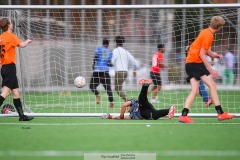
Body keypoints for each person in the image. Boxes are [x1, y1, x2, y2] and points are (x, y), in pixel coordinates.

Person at [179, 16, 235, 123]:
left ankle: (183, 115)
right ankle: (220, 113)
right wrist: (210, 69)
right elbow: (202, 54)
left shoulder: (205, 31)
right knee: (212, 85)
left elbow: (206, 51)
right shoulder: (209, 35)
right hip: (196, 64)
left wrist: (216, 56)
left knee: (195, 91)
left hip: (190, 64)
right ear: (219, 28)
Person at [0, 18, 34, 121]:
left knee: (16, 93)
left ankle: (21, 116)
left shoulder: (1, 37)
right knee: (5, 93)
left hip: (6, 68)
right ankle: (22, 115)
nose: (12, 24)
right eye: (11, 22)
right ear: (9, 25)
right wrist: (27, 41)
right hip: (9, 68)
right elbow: (21, 45)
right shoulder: (11, 36)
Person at [102, 79, 176, 120]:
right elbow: (123, 117)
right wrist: (110, 116)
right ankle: (169, 110)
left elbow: (124, 105)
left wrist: (122, 114)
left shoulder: (133, 102)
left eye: (128, 107)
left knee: (141, 99)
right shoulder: (131, 115)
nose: (127, 109)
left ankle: (145, 85)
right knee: (154, 115)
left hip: (143, 105)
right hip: (145, 113)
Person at [186, 37, 212, 107]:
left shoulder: (190, 48)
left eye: (189, 41)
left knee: (199, 86)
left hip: (194, 68)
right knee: (199, 86)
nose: (188, 42)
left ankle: (207, 99)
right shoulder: (194, 48)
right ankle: (207, 99)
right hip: (195, 67)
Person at [89, 38, 114, 108]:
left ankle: (97, 94)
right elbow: (109, 63)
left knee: (91, 86)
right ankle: (112, 102)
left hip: (98, 71)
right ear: (108, 44)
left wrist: (93, 64)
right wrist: (111, 65)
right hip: (106, 72)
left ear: (102, 43)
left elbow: (96, 56)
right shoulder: (109, 51)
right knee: (108, 88)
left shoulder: (99, 48)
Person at [111, 36, 137, 102]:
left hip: (119, 72)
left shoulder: (115, 51)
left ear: (116, 43)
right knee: (120, 88)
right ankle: (128, 102)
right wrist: (134, 70)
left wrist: (108, 62)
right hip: (126, 72)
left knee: (117, 89)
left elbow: (112, 62)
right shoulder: (126, 51)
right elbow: (134, 61)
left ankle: (129, 102)